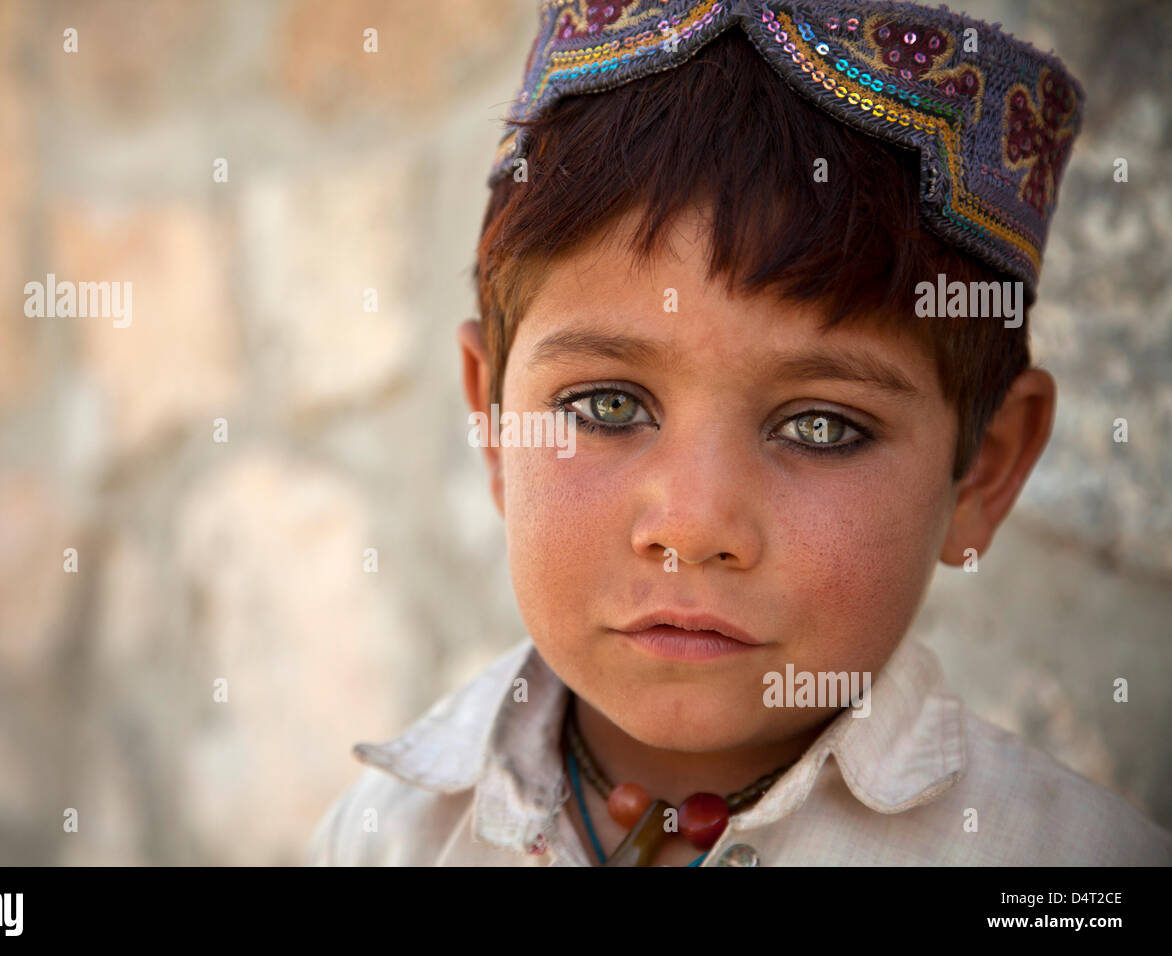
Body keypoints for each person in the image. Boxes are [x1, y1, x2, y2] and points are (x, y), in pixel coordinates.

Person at [305, 0, 1172, 866]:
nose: (693, 525)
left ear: (984, 468)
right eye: (608, 406)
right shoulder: (384, 837)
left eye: (823, 426)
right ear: (493, 422)